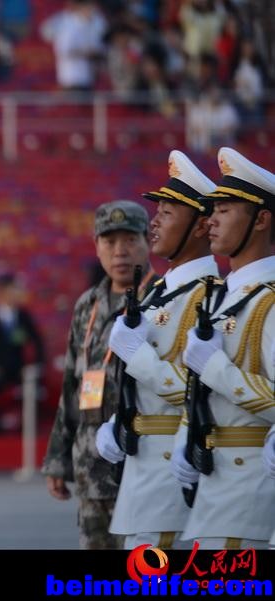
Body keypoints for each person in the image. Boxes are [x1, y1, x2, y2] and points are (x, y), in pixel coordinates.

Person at [98, 150, 217, 549]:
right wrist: (119, 420)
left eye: (168, 212)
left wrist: (139, 358)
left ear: (200, 226)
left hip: (173, 465)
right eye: (158, 210)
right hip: (143, 463)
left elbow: (204, 387)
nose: (155, 221)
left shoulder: (207, 297)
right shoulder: (161, 291)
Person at [173, 147, 274, 549]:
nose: (210, 220)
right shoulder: (222, 297)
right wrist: (185, 435)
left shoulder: (269, 301)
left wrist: (215, 367)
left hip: (250, 483)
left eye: (225, 210)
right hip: (215, 477)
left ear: (261, 220)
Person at [42, 199, 156, 550]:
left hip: (142, 463)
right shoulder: (87, 304)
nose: (119, 251)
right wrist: (58, 459)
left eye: (130, 240)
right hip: (90, 468)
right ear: (96, 246)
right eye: (109, 241)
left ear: (148, 241)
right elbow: (72, 386)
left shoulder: (162, 301)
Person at [0, 272, 45, 432]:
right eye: (13, 289)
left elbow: (37, 341)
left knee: (32, 387)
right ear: (2, 291)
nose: (16, 293)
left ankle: (27, 427)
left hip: (19, 368)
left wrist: (37, 365)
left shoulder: (23, 315)